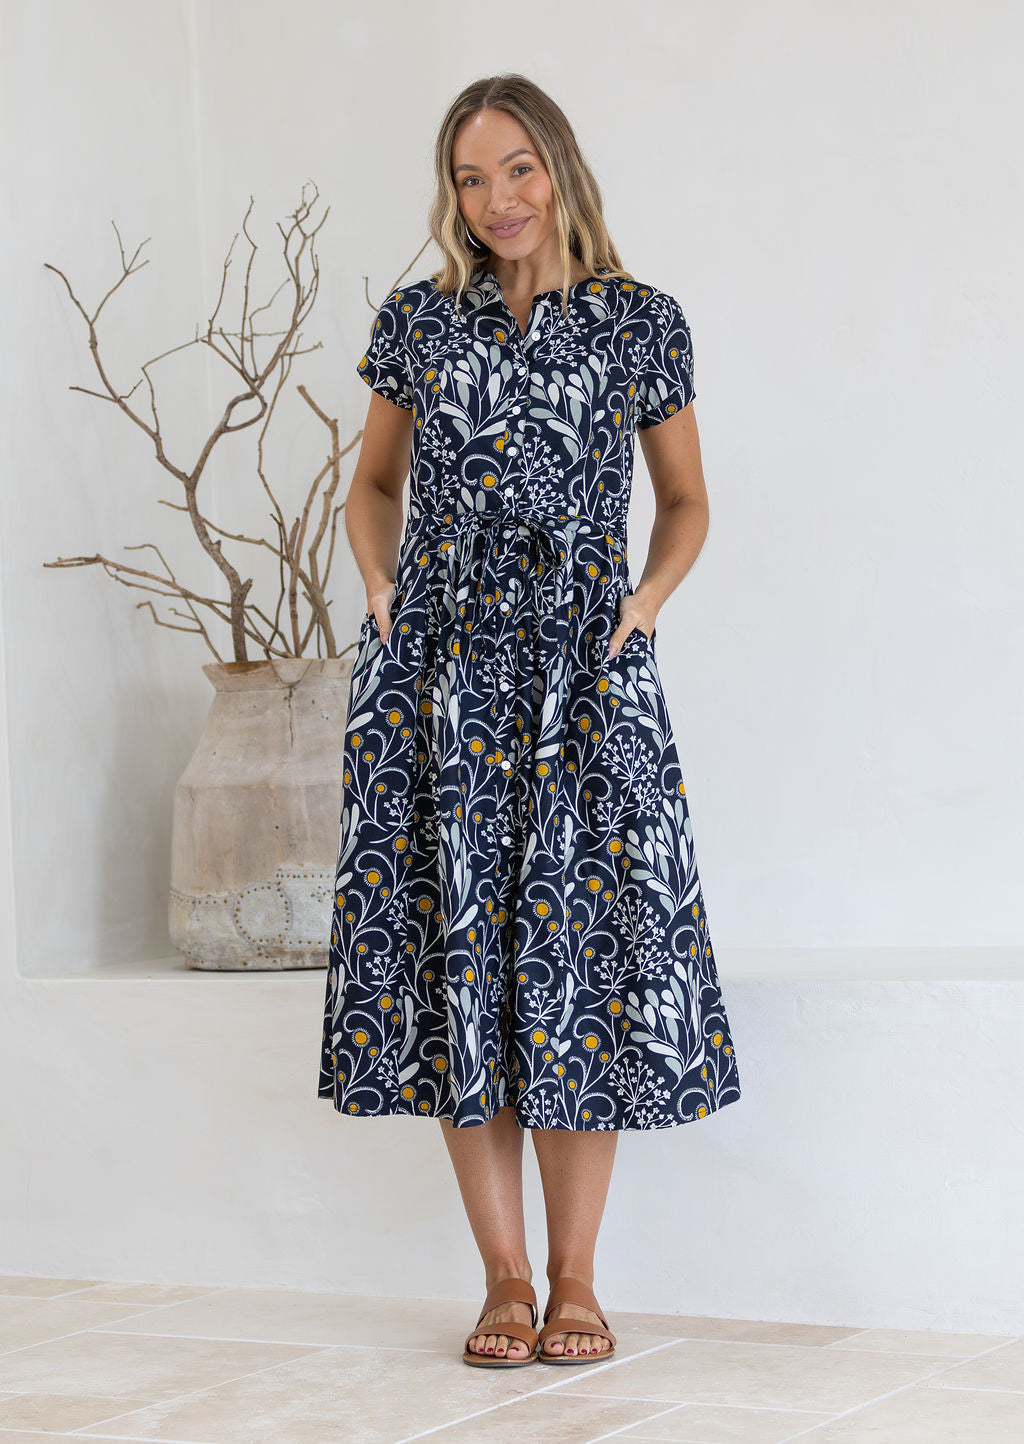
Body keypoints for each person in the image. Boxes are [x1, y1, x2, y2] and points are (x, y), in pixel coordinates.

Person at [317, 73, 742, 1369]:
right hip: (438, 680)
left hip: (583, 678)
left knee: (575, 969)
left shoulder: (639, 321)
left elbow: (686, 500)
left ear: (558, 167)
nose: (495, 198)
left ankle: (576, 1280)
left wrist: (644, 605)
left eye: (516, 168)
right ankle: (502, 1279)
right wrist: (381, 584)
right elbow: (372, 484)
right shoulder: (418, 323)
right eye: (469, 176)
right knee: (462, 966)